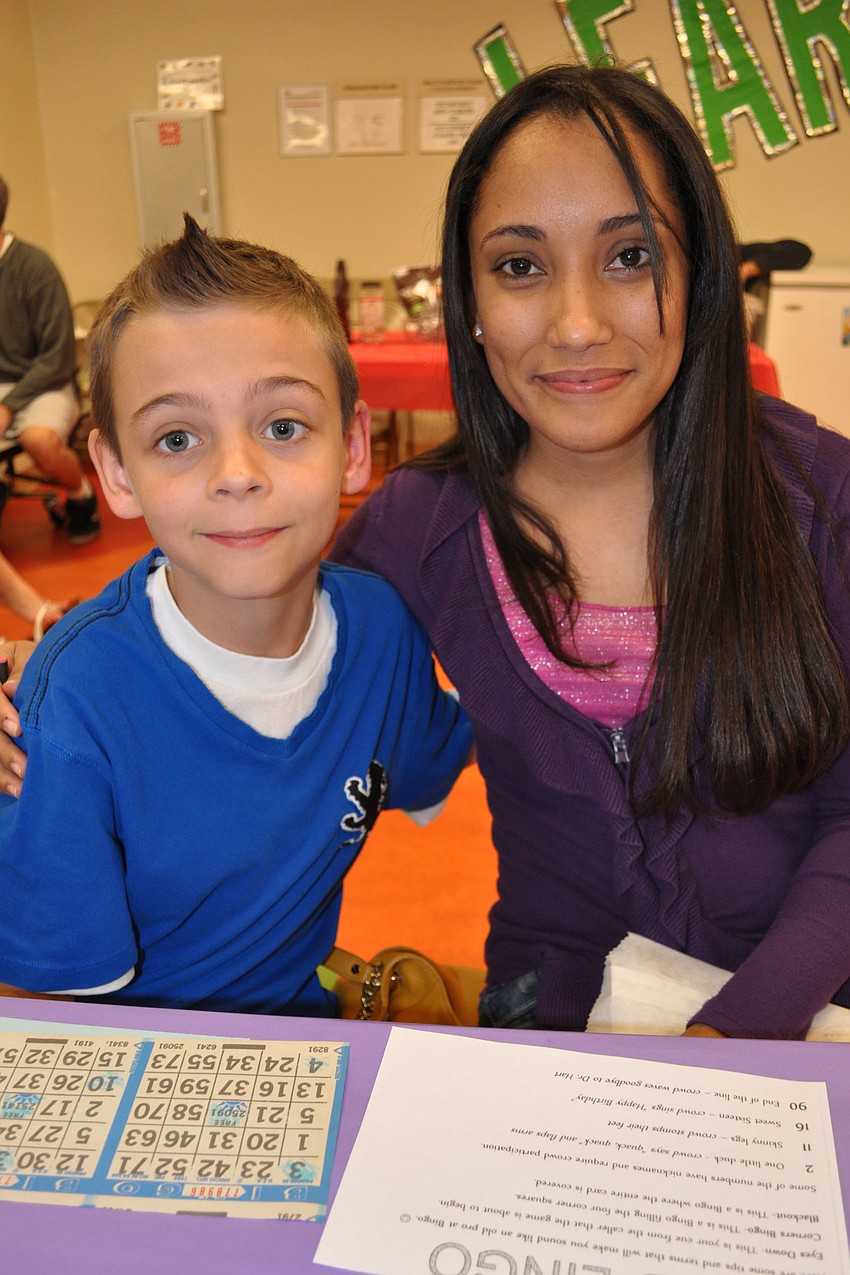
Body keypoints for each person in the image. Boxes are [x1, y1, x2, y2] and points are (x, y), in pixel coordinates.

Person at [329, 65, 850, 1041]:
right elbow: (238, 664)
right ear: (470, 299)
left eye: (628, 256)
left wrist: (732, 1039)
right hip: (548, 1010)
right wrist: (44, 710)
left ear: (698, 274)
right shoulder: (419, 526)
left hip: (802, 1015)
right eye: (520, 266)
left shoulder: (822, 499)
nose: (575, 325)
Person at [0, 216, 471, 1014]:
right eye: (178, 437)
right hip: (142, 1063)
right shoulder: (68, 713)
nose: (238, 474)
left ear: (354, 445)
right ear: (114, 474)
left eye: (283, 426)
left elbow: (459, 742)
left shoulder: (384, 632)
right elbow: (59, 1017)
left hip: (310, 1032)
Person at [0, 174, 100, 544]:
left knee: (38, 439)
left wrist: (8, 406)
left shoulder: (34, 269)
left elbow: (56, 359)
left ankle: (81, 496)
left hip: (46, 382)